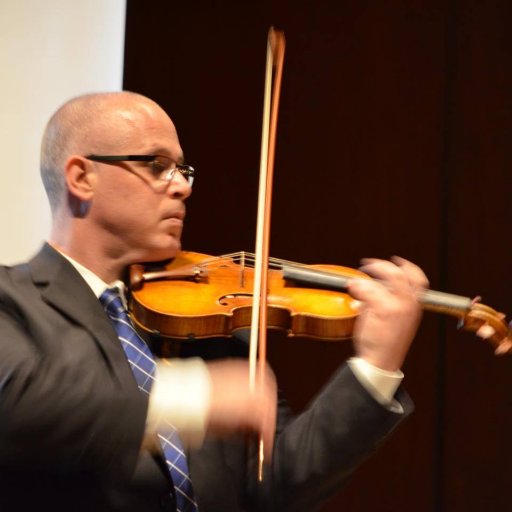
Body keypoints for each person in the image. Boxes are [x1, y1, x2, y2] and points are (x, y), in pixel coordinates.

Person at [0, 91, 428, 511]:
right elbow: (20, 407)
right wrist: (198, 397)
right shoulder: (12, 301)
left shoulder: (199, 323)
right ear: (81, 177)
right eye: (157, 166)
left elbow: (276, 487)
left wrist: (375, 367)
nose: (183, 186)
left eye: (183, 169)